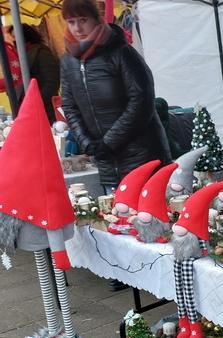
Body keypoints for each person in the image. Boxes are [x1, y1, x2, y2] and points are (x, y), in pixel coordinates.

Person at [60, 0, 171, 290]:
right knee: (118, 212)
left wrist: (109, 141)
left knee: (148, 213)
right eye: (71, 22)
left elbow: (141, 102)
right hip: (105, 155)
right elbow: (69, 105)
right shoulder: (68, 61)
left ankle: (161, 274)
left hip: (141, 150)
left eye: (82, 20)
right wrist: (86, 141)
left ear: (96, 20)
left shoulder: (122, 53)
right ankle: (126, 271)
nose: (77, 27)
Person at [0, 24, 60, 123]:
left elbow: (52, 82)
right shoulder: (17, 56)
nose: (13, 40)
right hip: (24, 108)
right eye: (12, 37)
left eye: (15, 37)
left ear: (26, 36)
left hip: (44, 109)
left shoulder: (41, 52)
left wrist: (36, 101)